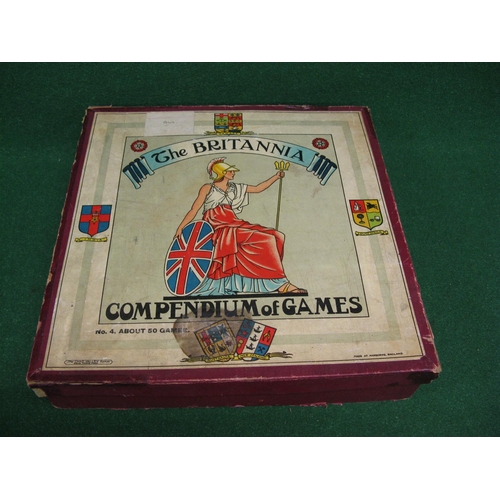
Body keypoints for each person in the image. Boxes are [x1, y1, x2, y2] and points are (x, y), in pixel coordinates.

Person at [174, 157, 306, 296]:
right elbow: (194, 209)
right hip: (218, 227)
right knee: (266, 240)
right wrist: (181, 227)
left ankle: (269, 280)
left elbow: (258, 188)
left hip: (234, 222)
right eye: (230, 171)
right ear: (221, 172)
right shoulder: (208, 188)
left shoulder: (235, 188)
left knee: (277, 236)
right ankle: (282, 284)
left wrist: (276, 176)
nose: (233, 173)